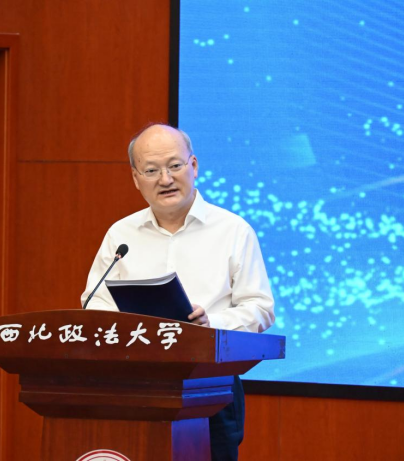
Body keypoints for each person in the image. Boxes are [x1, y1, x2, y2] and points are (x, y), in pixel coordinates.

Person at [81, 123, 275, 460]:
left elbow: (260, 307)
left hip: (210, 384)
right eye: (151, 170)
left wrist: (210, 324)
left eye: (174, 166)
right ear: (136, 178)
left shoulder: (233, 230)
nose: (165, 179)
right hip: (133, 384)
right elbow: (94, 301)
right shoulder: (121, 234)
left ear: (193, 166)